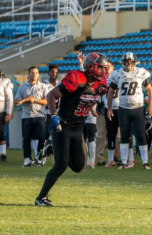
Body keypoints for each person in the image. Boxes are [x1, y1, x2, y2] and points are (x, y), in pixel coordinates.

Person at [35, 53, 109, 207]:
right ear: (92, 66)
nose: (103, 71)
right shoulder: (76, 78)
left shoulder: (100, 85)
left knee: (79, 166)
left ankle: (52, 148)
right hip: (63, 126)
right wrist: (53, 115)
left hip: (78, 128)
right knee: (61, 166)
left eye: (104, 68)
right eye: (101, 68)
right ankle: (40, 198)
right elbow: (51, 95)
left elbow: (86, 99)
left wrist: (95, 108)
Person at [107, 52, 152, 170]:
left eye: (130, 61)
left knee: (141, 134)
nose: (128, 63)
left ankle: (145, 162)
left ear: (134, 62)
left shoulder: (139, 73)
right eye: (126, 61)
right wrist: (109, 108)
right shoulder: (118, 74)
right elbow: (111, 92)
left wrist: (150, 106)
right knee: (124, 135)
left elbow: (150, 90)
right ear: (123, 62)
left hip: (138, 108)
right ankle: (123, 162)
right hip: (123, 108)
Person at [15, 67, 48, 167]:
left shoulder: (43, 86)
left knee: (41, 138)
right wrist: (25, 99)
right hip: (26, 116)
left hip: (39, 115)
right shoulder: (22, 87)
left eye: (36, 73)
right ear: (28, 74)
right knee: (26, 138)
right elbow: (16, 100)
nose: (34, 75)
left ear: (38, 75)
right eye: (32, 73)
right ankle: (27, 159)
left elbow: (46, 101)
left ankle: (40, 158)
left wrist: (35, 100)